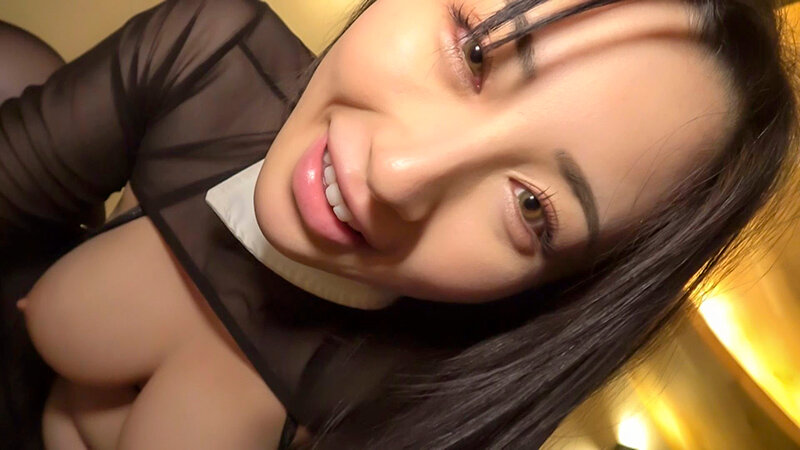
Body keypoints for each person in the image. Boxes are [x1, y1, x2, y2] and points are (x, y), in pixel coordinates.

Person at [0, 0, 795, 448]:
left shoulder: (426, 414)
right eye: (475, 51)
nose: (399, 173)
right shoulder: (209, 60)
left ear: (569, 282)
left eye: (531, 207)